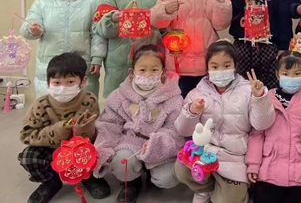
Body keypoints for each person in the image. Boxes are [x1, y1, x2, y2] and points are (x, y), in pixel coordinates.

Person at [174, 40, 276, 203]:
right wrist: (191, 111)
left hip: (234, 158)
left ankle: (224, 190)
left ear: (235, 65)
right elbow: (183, 130)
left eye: (226, 65)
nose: (220, 71)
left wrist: (260, 98)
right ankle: (205, 189)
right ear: (207, 67)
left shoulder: (248, 90)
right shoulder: (196, 93)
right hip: (205, 153)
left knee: (228, 199)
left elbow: (262, 124)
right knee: (181, 168)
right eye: (214, 67)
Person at [94, 44, 183, 203]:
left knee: (167, 178)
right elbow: (109, 124)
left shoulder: (173, 97)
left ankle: (151, 174)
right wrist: (103, 149)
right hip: (129, 142)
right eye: (142, 70)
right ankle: (132, 182)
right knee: (121, 164)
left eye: (154, 70)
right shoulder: (119, 96)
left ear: (163, 71)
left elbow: (175, 129)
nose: (148, 74)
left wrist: (157, 143)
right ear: (132, 72)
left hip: (158, 145)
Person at [18, 53, 111, 203]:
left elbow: (97, 133)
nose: (62, 88)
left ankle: (89, 177)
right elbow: (26, 135)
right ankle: (51, 182)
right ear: (48, 82)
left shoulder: (89, 100)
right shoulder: (40, 104)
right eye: (56, 82)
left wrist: (83, 130)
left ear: (83, 81)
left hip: (82, 149)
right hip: (52, 149)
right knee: (29, 157)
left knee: (102, 149)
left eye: (70, 82)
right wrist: (57, 131)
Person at [20, 0, 106, 97]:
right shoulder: (42, 2)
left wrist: (97, 58)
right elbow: (26, 28)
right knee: (48, 106)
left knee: (82, 105)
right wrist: (33, 30)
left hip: (82, 65)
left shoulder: (94, 2)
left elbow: (98, 34)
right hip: (49, 66)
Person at [151, 0, 232, 97]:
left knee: (205, 102)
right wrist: (165, 10)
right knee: (179, 102)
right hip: (178, 63)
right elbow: (156, 21)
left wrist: (221, 4)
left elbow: (220, 24)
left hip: (206, 63)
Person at [246, 51, 301, 203]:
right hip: (270, 171)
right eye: (286, 74)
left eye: (297, 74)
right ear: (277, 75)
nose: (291, 78)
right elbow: (257, 134)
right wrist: (253, 165)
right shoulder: (266, 98)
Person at [93, 0, 162, 97]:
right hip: (120, 60)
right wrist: (112, 19)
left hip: (151, 58)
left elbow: (163, 27)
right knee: (118, 100)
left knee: (151, 99)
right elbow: (100, 29)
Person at [227, 0, 292, 89]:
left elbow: (284, 20)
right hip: (242, 46)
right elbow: (226, 15)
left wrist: (283, 47)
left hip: (270, 47)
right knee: (241, 87)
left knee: (271, 87)